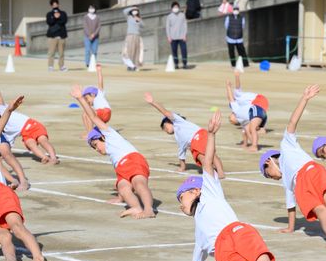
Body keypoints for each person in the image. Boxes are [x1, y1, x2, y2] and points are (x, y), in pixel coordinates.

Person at [176, 112, 305, 261]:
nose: (180, 206)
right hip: (222, 249)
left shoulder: (209, 190)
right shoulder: (199, 229)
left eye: (180, 199)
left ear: (194, 191)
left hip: (238, 231)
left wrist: (211, 135)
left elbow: (208, 163)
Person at [259, 85, 326, 250]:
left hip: (309, 172)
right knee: (324, 210)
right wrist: (291, 227)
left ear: (268, 162)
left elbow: (292, 122)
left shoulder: (286, 145)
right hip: (311, 175)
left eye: (268, 174)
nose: (272, 177)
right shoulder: (286, 180)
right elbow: (290, 204)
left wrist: (304, 98)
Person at [71, 84, 155, 219]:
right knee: (123, 187)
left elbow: (93, 117)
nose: (96, 149)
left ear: (102, 137)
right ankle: (136, 207)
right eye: (93, 148)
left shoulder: (109, 134)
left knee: (139, 183)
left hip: (134, 160)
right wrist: (120, 198)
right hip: (122, 167)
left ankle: (149, 209)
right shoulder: (112, 155)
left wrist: (80, 99)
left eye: (96, 144)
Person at [0, 97, 48, 261]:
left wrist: (9, 110)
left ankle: (39, 259)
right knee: (2, 234)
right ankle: (11, 260)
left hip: (1, 193)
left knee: (17, 227)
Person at [144, 92, 225, 176]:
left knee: (207, 156)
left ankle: (220, 173)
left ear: (168, 121)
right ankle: (217, 172)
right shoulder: (178, 137)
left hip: (198, 136)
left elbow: (165, 112)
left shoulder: (178, 122)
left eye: (164, 127)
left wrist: (153, 102)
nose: (165, 131)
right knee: (204, 156)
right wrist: (182, 167)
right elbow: (181, 153)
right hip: (195, 141)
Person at [0, 90, 58, 167]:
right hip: (24, 132)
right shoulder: (2, 119)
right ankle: (44, 157)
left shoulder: (2, 109)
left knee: (42, 140)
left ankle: (53, 157)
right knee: (31, 144)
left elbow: (0, 101)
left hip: (32, 124)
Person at [225, 71, 268, 151]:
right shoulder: (243, 121)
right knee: (250, 129)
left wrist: (228, 87)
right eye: (230, 119)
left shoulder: (236, 108)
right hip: (259, 112)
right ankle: (254, 145)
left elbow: (230, 97)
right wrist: (247, 143)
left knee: (252, 128)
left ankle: (254, 146)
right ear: (235, 121)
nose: (231, 115)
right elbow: (246, 133)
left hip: (256, 109)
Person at [80, 65, 112, 134]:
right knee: (84, 115)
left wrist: (99, 71)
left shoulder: (99, 94)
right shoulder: (94, 101)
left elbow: (100, 83)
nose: (87, 101)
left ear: (93, 95)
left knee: (87, 114)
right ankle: (89, 133)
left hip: (104, 111)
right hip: (103, 114)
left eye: (87, 98)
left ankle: (90, 134)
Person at [46, 0, 68, 72]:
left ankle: (61, 66)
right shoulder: (49, 14)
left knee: (61, 53)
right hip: (52, 36)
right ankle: (50, 66)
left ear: (58, 4)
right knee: (51, 52)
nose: (55, 5)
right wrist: (55, 18)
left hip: (61, 36)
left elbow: (64, 21)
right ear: (51, 5)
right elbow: (49, 22)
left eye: (56, 4)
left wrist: (58, 17)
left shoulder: (63, 13)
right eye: (53, 4)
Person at [166, 1, 188, 69]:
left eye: (177, 7)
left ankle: (184, 63)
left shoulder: (182, 15)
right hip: (173, 37)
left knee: (184, 50)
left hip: (182, 37)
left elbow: (185, 25)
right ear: (172, 8)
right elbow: (167, 27)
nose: (176, 8)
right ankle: (176, 64)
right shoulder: (169, 16)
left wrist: (185, 35)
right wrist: (169, 37)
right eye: (174, 7)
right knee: (174, 51)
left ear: (179, 7)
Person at [122, 6, 144, 71]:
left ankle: (135, 65)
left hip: (137, 36)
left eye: (136, 10)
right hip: (130, 35)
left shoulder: (138, 18)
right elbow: (124, 11)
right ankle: (130, 65)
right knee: (130, 50)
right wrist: (132, 8)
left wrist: (139, 20)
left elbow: (143, 25)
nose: (135, 11)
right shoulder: (129, 17)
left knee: (137, 51)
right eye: (134, 10)